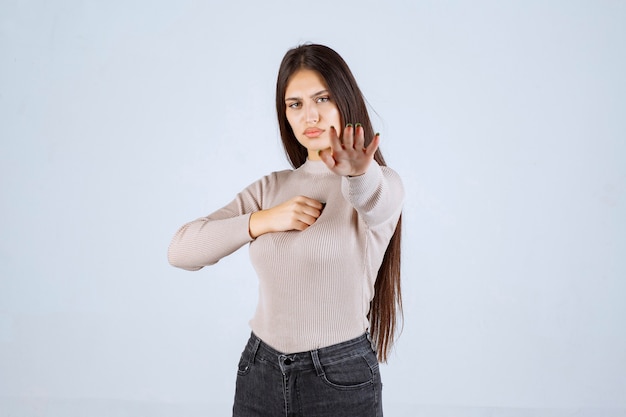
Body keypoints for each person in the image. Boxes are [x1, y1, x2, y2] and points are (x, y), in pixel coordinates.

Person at [168, 43, 404, 417]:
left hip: (338, 376)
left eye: (322, 98)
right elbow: (180, 251)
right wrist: (262, 220)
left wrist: (359, 171)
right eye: (294, 104)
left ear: (346, 100)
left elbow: (373, 200)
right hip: (259, 372)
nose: (309, 115)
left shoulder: (380, 182)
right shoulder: (270, 189)